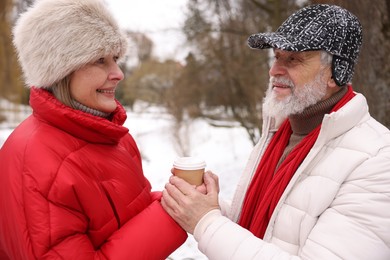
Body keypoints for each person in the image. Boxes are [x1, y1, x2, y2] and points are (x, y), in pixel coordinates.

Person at [161, 4, 390, 259]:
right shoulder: (280, 132)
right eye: (277, 56)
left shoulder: (377, 159)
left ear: (337, 73)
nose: (274, 71)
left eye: (293, 59)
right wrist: (210, 207)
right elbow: (270, 231)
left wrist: (207, 222)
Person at [0, 0, 187, 259]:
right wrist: (174, 217)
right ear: (60, 70)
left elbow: (129, 215)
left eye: (116, 59)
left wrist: (184, 203)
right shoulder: (40, 162)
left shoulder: (114, 137)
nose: (118, 73)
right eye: (100, 60)